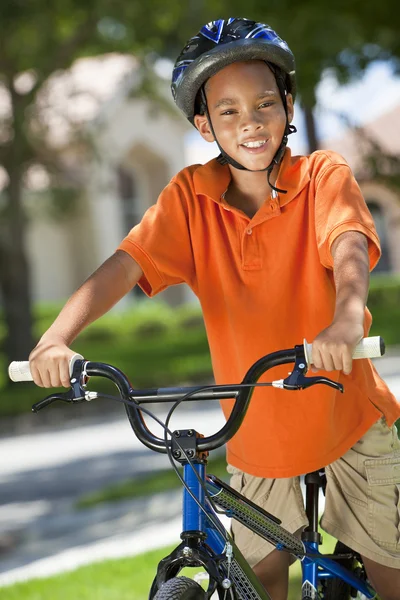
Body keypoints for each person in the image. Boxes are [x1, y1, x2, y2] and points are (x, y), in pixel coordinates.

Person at [29, 18, 400, 600]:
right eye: (227, 111)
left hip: (348, 413)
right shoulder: (188, 198)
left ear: (287, 105)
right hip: (258, 433)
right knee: (261, 580)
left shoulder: (323, 175)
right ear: (204, 125)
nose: (249, 121)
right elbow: (125, 264)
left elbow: (349, 245)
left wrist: (347, 317)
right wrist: (56, 337)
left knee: (389, 575)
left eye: (263, 103)